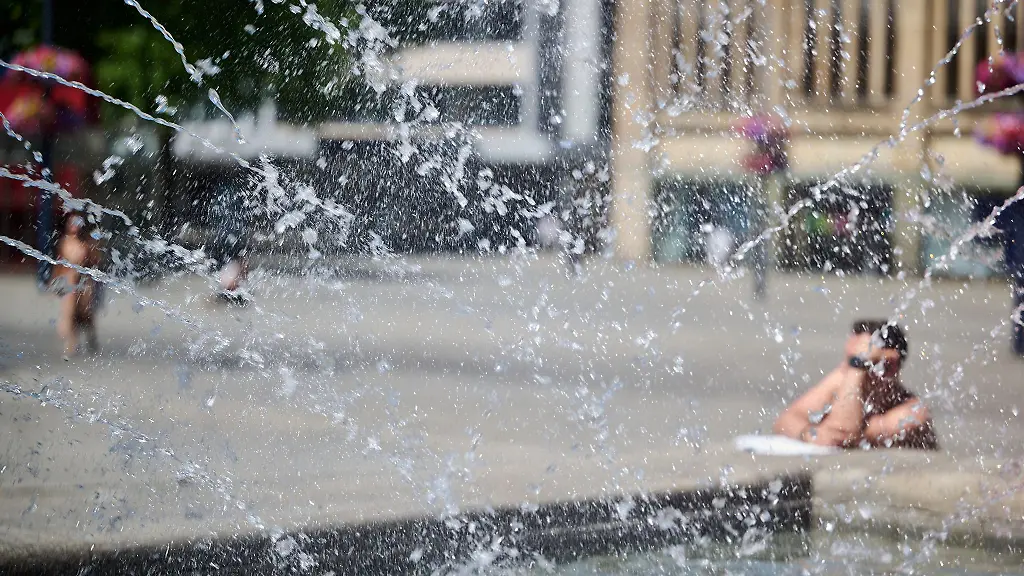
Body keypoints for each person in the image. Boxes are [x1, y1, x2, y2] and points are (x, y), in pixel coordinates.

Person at [773, 320, 937, 450]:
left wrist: (857, 368)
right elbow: (785, 420)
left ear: (890, 365)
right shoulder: (844, 377)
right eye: (848, 360)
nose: (845, 369)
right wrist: (808, 434)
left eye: (857, 360)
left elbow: (842, 435)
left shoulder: (912, 413)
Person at [51, 211, 102, 359]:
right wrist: (55, 281)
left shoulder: (86, 243)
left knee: (85, 312)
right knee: (70, 312)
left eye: (77, 223)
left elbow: (94, 263)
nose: (74, 226)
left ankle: (91, 336)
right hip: (69, 281)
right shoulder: (64, 242)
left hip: (83, 282)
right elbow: (59, 264)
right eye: (72, 223)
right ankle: (72, 343)